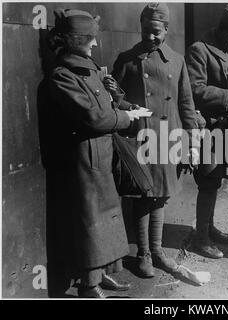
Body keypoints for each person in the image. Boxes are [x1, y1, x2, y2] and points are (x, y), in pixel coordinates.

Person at [45, 9, 140, 298]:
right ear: (74, 40)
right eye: (89, 39)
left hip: (100, 157)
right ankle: (89, 285)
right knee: (90, 223)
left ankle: (101, 276)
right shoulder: (62, 77)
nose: (95, 44)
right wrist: (125, 119)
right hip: (84, 163)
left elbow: (104, 108)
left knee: (106, 217)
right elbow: (94, 118)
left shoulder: (87, 69)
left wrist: (120, 103)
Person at [111, 3, 199, 278]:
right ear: (141, 27)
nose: (151, 37)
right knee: (142, 196)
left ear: (167, 30)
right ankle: (143, 254)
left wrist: (192, 144)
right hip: (139, 136)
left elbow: (186, 104)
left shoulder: (176, 59)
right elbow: (113, 100)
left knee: (160, 196)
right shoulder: (126, 59)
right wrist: (124, 102)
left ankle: (158, 251)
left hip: (168, 136)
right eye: (147, 31)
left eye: (157, 32)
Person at [185, 4, 228, 259]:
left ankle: (209, 227)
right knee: (208, 180)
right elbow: (195, 89)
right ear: (220, 29)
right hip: (209, 126)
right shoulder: (199, 50)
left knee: (219, 178)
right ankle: (200, 238)